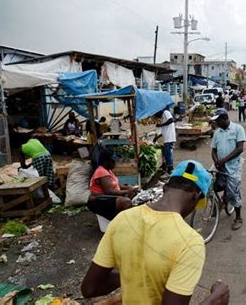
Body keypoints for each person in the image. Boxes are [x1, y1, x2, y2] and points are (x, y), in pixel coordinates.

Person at [82, 160, 230, 304]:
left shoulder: (123, 219)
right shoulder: (190, 242)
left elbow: (89, 288)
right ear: (195, 197)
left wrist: (132, 273)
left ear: (165, 188)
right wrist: (216, 299)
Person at [210, 109, 246, 230]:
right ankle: (220, 202)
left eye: (218, 120)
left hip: (233, 166)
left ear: (225, 118)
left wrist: (224, 161)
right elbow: (213, 150)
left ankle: (238, 217)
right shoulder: (217, 133)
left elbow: (240, 148)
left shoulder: (237, 129)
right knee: (210, 185)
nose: (216, 123)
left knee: (233, 192)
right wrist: (217, 162)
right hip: (219, 165)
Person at [87, 149, 137, 221]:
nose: (114, 163)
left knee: (133, 194)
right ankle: (120, 222)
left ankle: (122, 220)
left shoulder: (108, 170)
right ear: (105, 161)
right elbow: (110, 191)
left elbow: (116, 184)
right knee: (126, 202)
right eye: (112, 161)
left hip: (108, 198)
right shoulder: (101, 172)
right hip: (99, 201)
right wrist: (127, 191)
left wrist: (129, 187)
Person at [153, 109, 177, 174]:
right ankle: (166, 167)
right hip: (166, 138)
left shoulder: (166, 112)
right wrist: (157, 137)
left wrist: (160, 125)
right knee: (166, 153)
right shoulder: (163, 116)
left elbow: (171, 120)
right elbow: (164, 130)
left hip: (169, 138)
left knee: (167, 153)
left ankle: (170, 169)